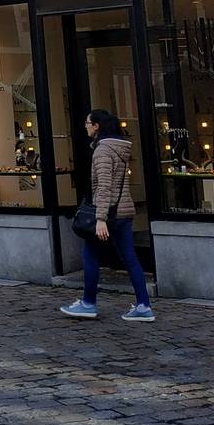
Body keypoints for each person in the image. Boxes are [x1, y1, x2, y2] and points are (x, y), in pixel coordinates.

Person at [61, 109, 154, 322]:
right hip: (123, 211)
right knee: (130, 258)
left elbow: (104, 187)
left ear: (97, 126)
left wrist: (101, 218)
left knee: (90, 255)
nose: (85, 126)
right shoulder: (120, 149)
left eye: (87, 123)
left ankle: (88, 303)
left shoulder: (102, 151)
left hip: (108, 213)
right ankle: (143, 305)